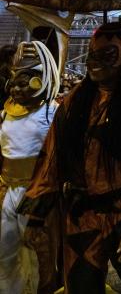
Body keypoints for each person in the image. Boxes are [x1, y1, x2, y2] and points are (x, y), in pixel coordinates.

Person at [19, 22, 121, 293]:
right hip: (82, 216)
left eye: (107, 56)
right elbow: (51, 159)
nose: (95, 64)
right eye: (93, 55)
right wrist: (37, 216)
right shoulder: (74, 101)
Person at [0, 42, 60, 293]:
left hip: (38, 195)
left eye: (24, 81)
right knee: (4, 253)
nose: (16, 87)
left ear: (40, 81)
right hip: (6, 193)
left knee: (42, 255)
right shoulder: (4, 114)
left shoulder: (52, 112)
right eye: (14, 81)